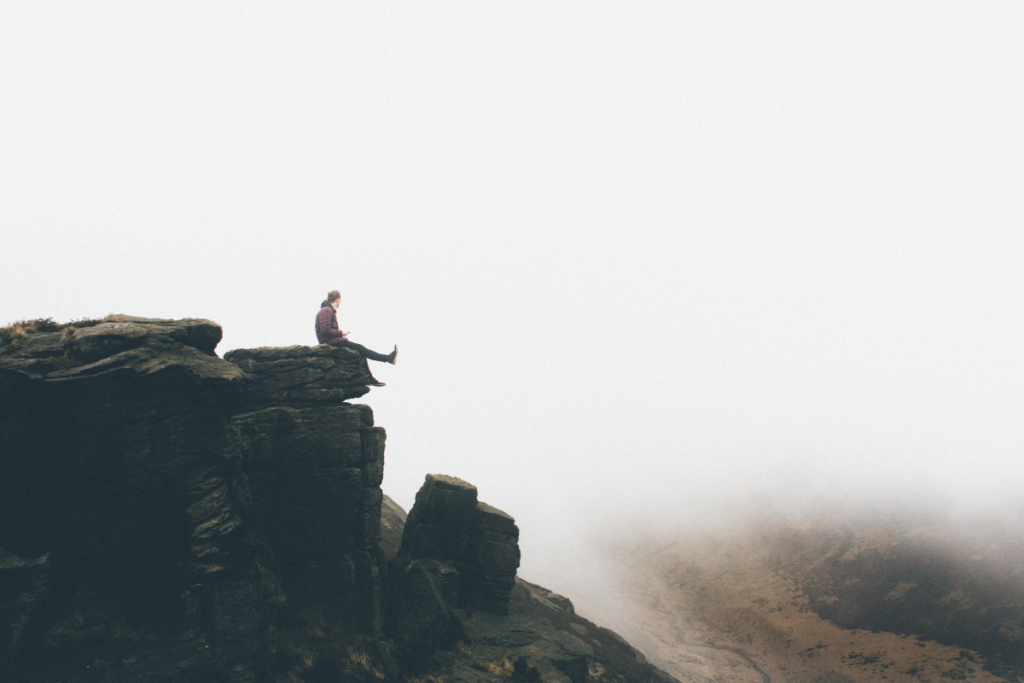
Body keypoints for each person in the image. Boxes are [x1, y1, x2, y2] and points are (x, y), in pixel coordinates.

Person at [315, 290, 397, 369]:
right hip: (330, 343)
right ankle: (388, 358)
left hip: (332, 342)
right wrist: (341, 333)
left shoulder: (327, 310)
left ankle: (372, 376)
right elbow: (325, 330)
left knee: (360, 350)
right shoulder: (326, 310)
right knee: (361, 349)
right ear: (337, 300)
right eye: (340, 300)